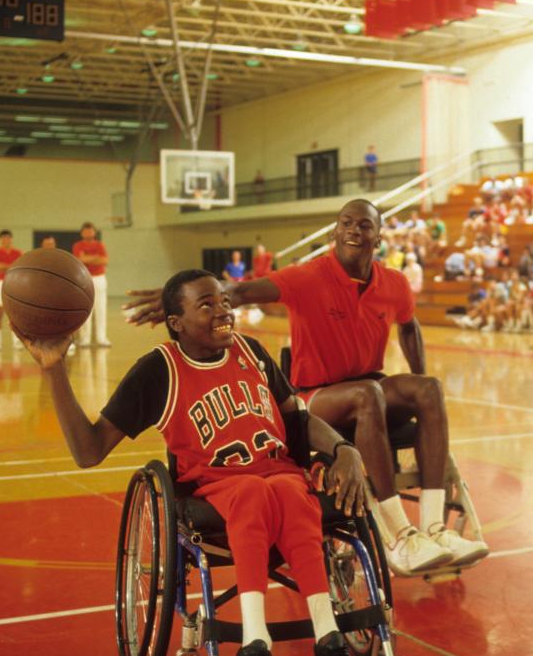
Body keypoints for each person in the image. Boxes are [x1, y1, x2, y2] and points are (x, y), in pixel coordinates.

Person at [14, 269, 367, 656]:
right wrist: (55, 370)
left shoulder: (251, 351)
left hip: (280, 474)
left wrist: (343, 449)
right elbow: (89, 451)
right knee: (256, 494)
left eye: (223, 300)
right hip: (219, 486)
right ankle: (255, 648)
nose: (223, 310)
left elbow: (298, 417)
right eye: (207, 305)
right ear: (176, 322)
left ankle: (329, 643)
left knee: (293, 493)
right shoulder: (158, 371)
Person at [124, 199, 489, 576]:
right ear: (335, 232)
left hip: (368, 386)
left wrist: (417, 378)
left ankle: (433, 529)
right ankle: (399, 534)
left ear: (378, 237)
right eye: (345, 222)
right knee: (369, 395)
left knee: (427, 388)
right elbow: (242, 291)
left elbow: (409, 326)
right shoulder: (309, 276)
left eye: (364, 225)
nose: (353, 230)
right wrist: (178, 300)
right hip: (315, 396)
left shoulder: (393, 283)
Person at [73, 222, 111, 349]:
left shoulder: (100, 245)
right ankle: (84, 339)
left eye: (91, 231)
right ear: (82, 233)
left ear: (94, 232)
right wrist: (95, 258)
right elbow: (80, 260)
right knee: (85, 309)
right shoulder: (78, 245)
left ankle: (101, 338)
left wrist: (88, 258)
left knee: (100, 308)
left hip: (99, 278)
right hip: (85, 278)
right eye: (86, 231)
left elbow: (105, 261)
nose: (89, 233)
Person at [0, 229, 23, 352]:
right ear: (0, 240)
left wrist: (6, 266)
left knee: (14, 314)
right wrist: (12, 266)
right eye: (3, 238)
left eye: (8, 238)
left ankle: (16, 342)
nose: (6, 240)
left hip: (14, 283)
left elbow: (20, 268)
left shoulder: (18, 253)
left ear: (11, 239)